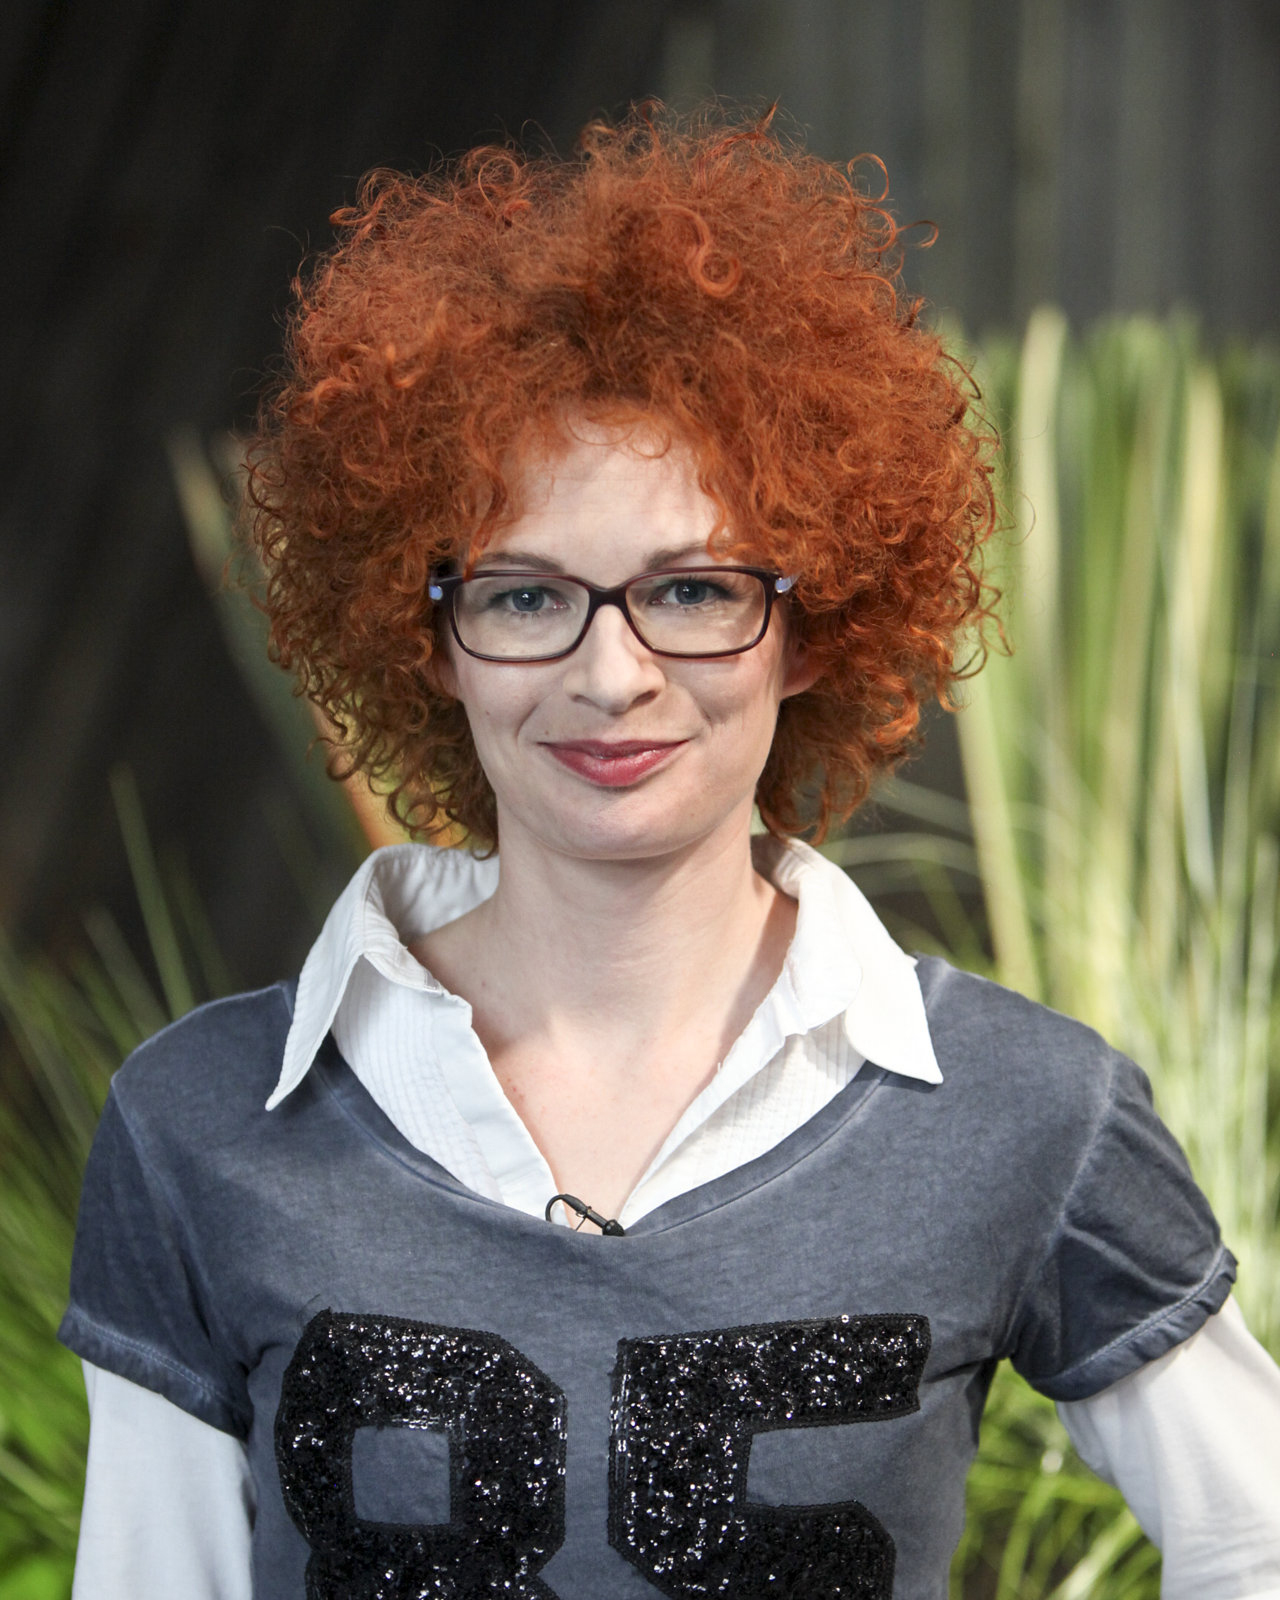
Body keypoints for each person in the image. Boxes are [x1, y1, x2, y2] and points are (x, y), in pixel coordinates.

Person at [61, 107, 1280, 1599]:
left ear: (810, 625)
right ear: (427, 642)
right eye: (524, 597)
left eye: (693, 590)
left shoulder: (1026, 1113)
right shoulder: (200, 1123)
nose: (612, 675)